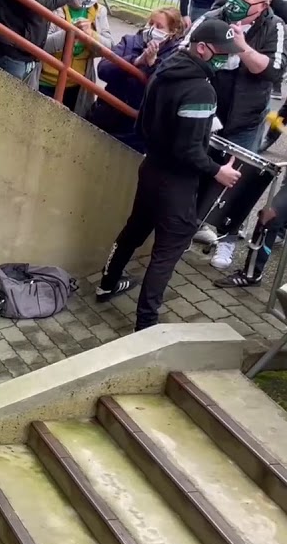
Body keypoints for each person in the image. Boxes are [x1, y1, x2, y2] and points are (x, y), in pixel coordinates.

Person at [96, 20, 243, 331]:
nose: (228, 59)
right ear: (202, 48)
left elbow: (143, 124)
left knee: (133, 232)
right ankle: (146, 325)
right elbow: (189, 149)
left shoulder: (166, 67)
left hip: (151, 168)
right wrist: (219, 171)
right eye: (222, 53)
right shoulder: (201, 90)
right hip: (176, 183)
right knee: (167, 251)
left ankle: (107, 283)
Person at [187, 0, 286, 267]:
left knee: (237, 184)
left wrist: (241, 46)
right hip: (208, 115)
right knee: (198, 176)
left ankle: (228, 239)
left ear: (263, 5)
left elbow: (274, 70)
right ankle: (189, 229)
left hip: (246, 121)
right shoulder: (214, 16)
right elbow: (187, 50)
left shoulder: (275, 27)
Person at [87, 6, 187, 151]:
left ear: (172, 32)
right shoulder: (129, 41)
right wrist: (136, 61)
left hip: (134, 130)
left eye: (159, 27)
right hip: (105, 114)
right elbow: (103, 69)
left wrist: (152, 64)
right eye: (151, 23)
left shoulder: (174, 57)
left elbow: (163, 91)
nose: (153, 29)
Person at [38, 0, 113, 114]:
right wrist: (70, 33)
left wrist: (90, 35)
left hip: (76, 86)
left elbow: (108, 47)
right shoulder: (57, 2)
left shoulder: (99, 12)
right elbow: (42, 44)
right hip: (45, 81)